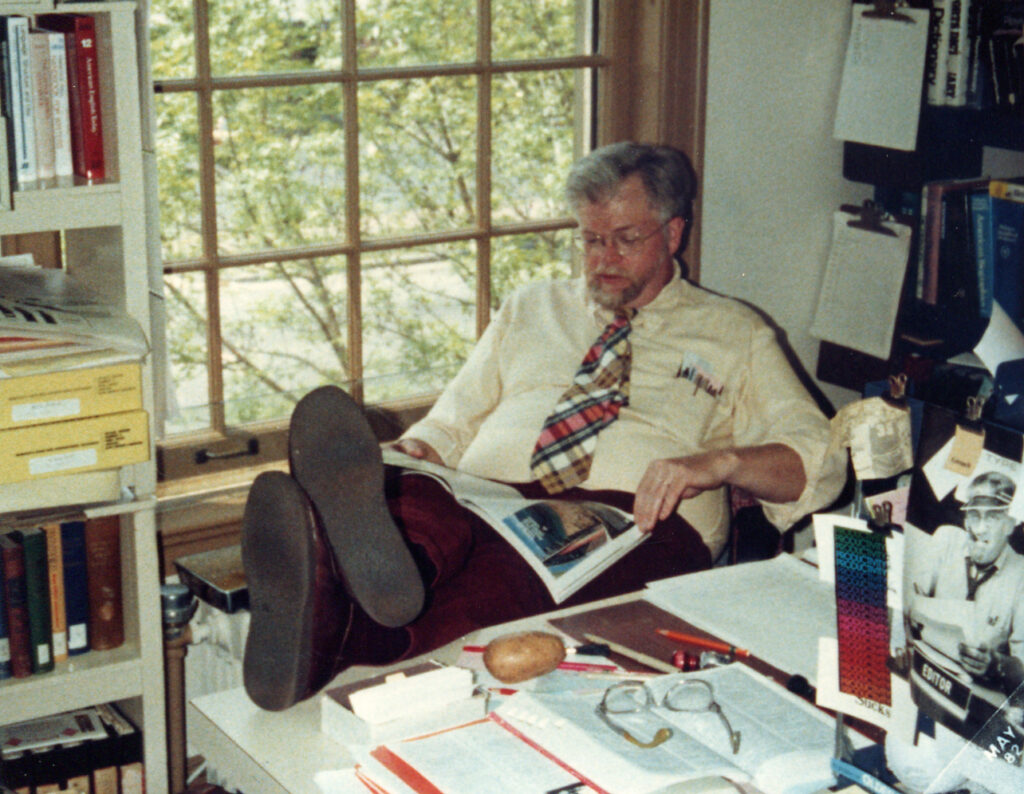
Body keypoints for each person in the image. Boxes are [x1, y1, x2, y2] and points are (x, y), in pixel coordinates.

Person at [241, 142, 846, 710]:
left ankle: (331, 614)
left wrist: (720, 463)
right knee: (416, 488)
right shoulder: (532, 305)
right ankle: (388, 567)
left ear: (674, 232)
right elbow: (453, 418)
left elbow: (817, 457)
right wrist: (416, 451)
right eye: (589, 240)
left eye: (625, 240)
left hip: (632, 522)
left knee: (498, 585)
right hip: (490, 500)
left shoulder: (735, 331)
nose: (603, 260)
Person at [908, 470, 1024, 695]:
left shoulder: (1022, 576)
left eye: (992, 517)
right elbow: (909, 600)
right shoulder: (946, 540)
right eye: (973, 515)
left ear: (1011, 524)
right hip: (924, 670)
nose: (979, 529)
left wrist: (995, 664)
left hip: (975, 693)